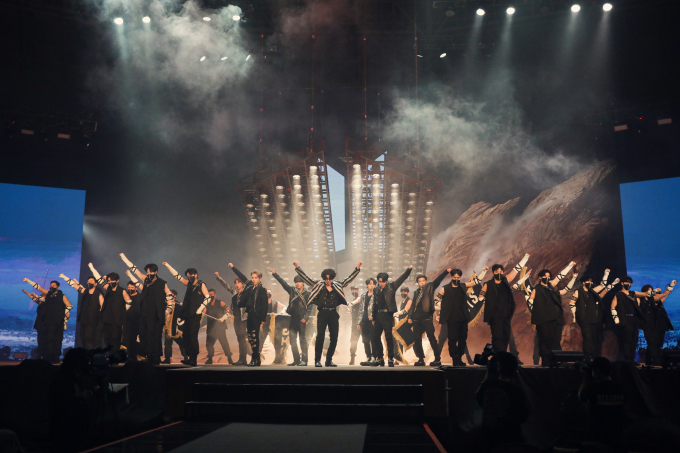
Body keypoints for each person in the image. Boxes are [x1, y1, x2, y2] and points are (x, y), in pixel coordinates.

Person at [293, 260, 361, 368]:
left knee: (334, 338)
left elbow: (348, 279)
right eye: (326, 278)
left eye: (330, 278)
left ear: (332, 278)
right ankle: (317, 361)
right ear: (324, 278)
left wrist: (357, 269)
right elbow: (306, 278)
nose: (328, 280)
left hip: (333, 313)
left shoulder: (337, 284)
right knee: (320, 337)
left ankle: (329, 360)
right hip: (322, 314)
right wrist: (297, 267)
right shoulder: (319, 284)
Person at [120, 254, 175, 365]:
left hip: (156, 315)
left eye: (151, 272)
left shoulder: (162, 283)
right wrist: (124, 258)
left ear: (156, 272)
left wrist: (168, 309)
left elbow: (169, 295)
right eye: (147, 272)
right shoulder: (146, 281)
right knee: (144, 335)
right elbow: (135, 270)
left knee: (155, 336)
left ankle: (156, 357)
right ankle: (148, 355)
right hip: (144, 314)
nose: (149, 274)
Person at [477, 254, 530, 355]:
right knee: (497, 337)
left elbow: (516, 270)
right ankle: (498, 356)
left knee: (506, 336)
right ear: (493, 273)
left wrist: (525, 258)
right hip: (494, 316)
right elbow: (480, 297)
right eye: (497, 271)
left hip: (505, 315)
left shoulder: (505, 281)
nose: (499, 273)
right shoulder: (488, 284)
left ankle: (502, 354)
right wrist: (487, 302)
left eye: (501, 271)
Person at [475, 352, 530, 450]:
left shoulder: (487, 386)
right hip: (510, 439)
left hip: (488, 438)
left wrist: (486, 378)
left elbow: (479, 400)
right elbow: (523, 416)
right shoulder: (516, 391)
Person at [162, 263, 213, 367]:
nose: (189, 277)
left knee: (193, 336)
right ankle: (189, 357)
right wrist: (168, 266)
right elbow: (178, 276)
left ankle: (193, 358)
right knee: (186, 336)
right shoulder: (189, 284)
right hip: (187, 314)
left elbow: (208, 297)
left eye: (190, 275)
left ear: (195, 275)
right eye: (188, 276)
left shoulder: (201, 284)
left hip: (195, 315)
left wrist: (200, 309)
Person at [431, 268, 485, 367]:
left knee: (462, 339)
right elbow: (436, 299)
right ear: (451, 277)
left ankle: (459, 358)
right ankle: (454, 358)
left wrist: (484, 271)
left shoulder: (463, 286)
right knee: (452, 340)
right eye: (455, 277)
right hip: (451, 319)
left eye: (458, 277)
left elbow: (476, 282)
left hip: (463, 318)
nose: (456, 279)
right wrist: (441, 308)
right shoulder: (445, 288)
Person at [527, 264, 578, 367]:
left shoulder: (552, 290)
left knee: (556, 341)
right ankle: (546, 361)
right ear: (540, 277)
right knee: (545, 340)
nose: (547, 278)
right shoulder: (537, 289)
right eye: (545, 276)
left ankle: (556, 360)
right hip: (543, 320)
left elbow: (565, 290)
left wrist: (573, 278)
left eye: (548, 276)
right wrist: (536, 313)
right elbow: (531, 301)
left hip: (555, 319)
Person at [402, 268, 450, 366]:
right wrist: (410, 316)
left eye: (423, 281)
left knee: (431, 337)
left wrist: (446, 271)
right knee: (417, 339)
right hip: (416, 318)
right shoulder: (416, 292)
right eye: (420, 281)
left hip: (427, 317)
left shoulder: (430, 287)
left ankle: (437, 358)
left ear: (426, 281)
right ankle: (421, 359)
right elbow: (413, 305)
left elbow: (438, 280)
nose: (422, 283)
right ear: (418, 283)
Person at [48, 348, 93, 453]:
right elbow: (59, 398)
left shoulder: (74, 376)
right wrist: (79, 395)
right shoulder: (62, 378)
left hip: (73, 426)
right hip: (65, 428)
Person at [578, 357, 626, 447]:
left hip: (598, 435)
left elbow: (581, 396)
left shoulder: (593, 388)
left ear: (597, 371)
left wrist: (585, 379)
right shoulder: (622, 388)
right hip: (618, 436)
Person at [23, 278, 72, 363]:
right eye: (51, 285)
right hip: (47, 323)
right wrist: (28, 281)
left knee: (56, 341)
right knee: (48, 340)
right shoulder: (48, 296)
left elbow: (69, 306)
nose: (51, 287)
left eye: (53, 285)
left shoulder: (62, 296)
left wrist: (64, 315)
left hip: (58, 323)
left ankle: (55, 358)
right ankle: (47, 358)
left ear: (57, 287)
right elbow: (39, 289)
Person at [371, 266, 413, 367]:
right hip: (378, 315)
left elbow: (402, 278)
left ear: (386, 281)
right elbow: (374, 304)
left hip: (388, 315)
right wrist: (373, 317)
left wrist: (409, 270)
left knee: (389, 337)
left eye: (383, 281)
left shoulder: (392, 286)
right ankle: (380, 358)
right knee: (376, 338)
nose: (381, 283)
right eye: (379, 281)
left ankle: (390, 358)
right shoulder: (376, 289)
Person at [569, 271, 616, 362]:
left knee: (596, 339)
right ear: (583, 282)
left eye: (591, 281)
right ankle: (587, 357)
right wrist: (575, 316)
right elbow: (572, 303)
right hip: (585, 319)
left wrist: (606, 275)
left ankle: (596, 358)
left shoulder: (592, 292)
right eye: (588, 281)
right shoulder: (578, 291)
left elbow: (603, 286)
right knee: (588, 338)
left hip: (595, 320)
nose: (590, 283)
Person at [230, 263, 269, 367]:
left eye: (255, 278)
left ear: (260, 278)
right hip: (250, 315)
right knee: (251, 337)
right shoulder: (251, 287)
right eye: (252, 278)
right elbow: (242, 277)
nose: (253, 279)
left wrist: (263, 318)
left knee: (255, 337)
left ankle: (255, 359)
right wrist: (233, 268)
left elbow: (265, 305)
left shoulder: (262, 289)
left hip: (257, 315)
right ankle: (256, 359)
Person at [87, 265, 130, 355]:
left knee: (115, 339)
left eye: (112, 280)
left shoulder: (122, 291)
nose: (110, 282)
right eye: (109, 280)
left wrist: (122, 312)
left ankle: (114, 356)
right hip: (106, 319)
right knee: (106, 338)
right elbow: (99, 279)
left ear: (117, 281)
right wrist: (92, 268)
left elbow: (129, 302)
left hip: (116, 320)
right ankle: (109, 355)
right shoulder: (108, 288)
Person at [272, 269, 311, 366]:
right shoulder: (292, 290)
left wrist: (305, 318)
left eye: (299, 282)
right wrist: (275, 274)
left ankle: (304, 360)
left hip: (302, 319)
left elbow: (310, 307)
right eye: (296, 282)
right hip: (293, 318)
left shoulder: (308, 293)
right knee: (292, 340)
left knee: (302, 340)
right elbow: (283, 283)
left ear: (303, 283)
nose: (298, 283)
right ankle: (296, 360)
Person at [59, 274, 103, 351]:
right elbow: (73, 285)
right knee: (83, 339)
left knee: (91, 339)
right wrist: (64, 277)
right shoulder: (85, 291)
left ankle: (92, 354)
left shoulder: (99, 294)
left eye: (91, 281)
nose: (89, 282)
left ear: (96, 283)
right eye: (88, 281)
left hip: (93, 322)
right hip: (84, 320)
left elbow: (103, 307)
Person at [610, 276, 649, 363]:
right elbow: (612, 307)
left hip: (634, 320)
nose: (628, 284)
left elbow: (645, 294)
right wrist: (616, 318)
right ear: (622, 283)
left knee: (634, 340)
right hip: (625, 320)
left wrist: (655, 291)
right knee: (627, 341)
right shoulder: (618, 295)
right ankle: (627, 360)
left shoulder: (633, 293)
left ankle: (631, 360)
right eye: (626, 282)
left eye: (630, 283)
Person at [216, 272, 249, 365]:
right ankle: (241, 359)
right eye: (235, 283)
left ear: (243, 284)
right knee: (239, 339)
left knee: (242, 339)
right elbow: (226, 286)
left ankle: (243, 359)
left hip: (243, 319)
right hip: (236, 318)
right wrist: (218, 277)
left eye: (239, 282)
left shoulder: (246, 293)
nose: (237, 285)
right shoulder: (235, 293)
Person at [640, 281, 676, 366]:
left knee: (658, 344)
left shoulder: (658, 302)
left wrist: (671, 286)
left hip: (659, 325)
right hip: (649, 326)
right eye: (649, 291)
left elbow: (664, 295)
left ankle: (650, 361)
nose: (652, 292)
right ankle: (655, 361)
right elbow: (662, 295)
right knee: (652, 343)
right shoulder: (645, 301)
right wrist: (669, 287)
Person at [347, 278, 377, 366]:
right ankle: (368, 358)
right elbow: (360, 309)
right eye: (370, 284)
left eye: (373, 284)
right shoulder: (363, 296)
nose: (372, 285)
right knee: (365, 341)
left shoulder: (377, 295)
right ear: (367, 285)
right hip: (362, 322)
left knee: (373, 340)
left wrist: (374, 318)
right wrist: (359, 322)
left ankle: (375, 358)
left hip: (372, 321)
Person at [203, 288, 233, 365]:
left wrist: (223, 317)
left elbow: (228, 310)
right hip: (211, 328)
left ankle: (229, 358)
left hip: (220, 328)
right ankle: (210, 359)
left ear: (215, 295)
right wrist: (201, 313)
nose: (210, 296)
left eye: (212, 295)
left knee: (224, 343)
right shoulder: (207, 304)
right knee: (209, 344)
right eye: (209, 295)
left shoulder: (220, 302)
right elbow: (204, 312)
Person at [163, 289, 187, 364]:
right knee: (167, 344)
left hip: (176, 328)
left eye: (171, 294)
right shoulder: (165, 304)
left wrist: (184, 307)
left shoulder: (179, 305)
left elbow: (183, 316)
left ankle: (186, 357)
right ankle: (167, 359)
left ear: (175, 296)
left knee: (181, 343)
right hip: (168, 327)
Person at [123, 272, 143, 361]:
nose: (130, 289)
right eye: (129, 287)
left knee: (135, 340)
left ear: (136, 288)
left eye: (132, 287)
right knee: (126, 340)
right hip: (126, 322)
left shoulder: (140, 297)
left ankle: (135, 357)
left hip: (136, 323)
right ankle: (129, 356)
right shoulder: (125, 295)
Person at [346, 285, 362, 365]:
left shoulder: (360, 298)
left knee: (367, 341)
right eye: (353, 290)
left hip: (361, 324)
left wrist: (348, 303)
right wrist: (350, 312)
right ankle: (352, 359)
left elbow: (360, 311)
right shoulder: (353, 300)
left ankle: (370, 358)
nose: (354, 291)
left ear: (358, 291)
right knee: (353, 342)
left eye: (356, 290)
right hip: (354, 325)